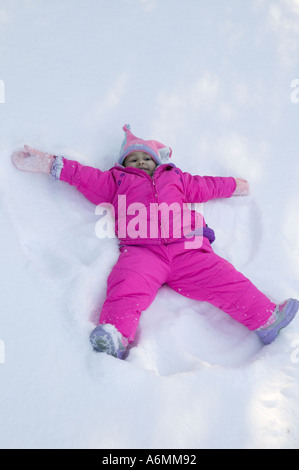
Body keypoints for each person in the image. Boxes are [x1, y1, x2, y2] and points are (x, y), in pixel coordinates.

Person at [11, 124, 299, 359]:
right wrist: (51, 163)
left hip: (188, 248)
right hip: (142, 252)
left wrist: (234, 186)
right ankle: (115, 335)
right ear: (122, 164)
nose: (140, 163)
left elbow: (207, 185)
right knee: (126, 287)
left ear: (157, 161)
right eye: (133, 159)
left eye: (145, 158)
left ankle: (265, 318)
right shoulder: (116, 182)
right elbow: (83, 177)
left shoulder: (177, 179)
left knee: (223, 278)